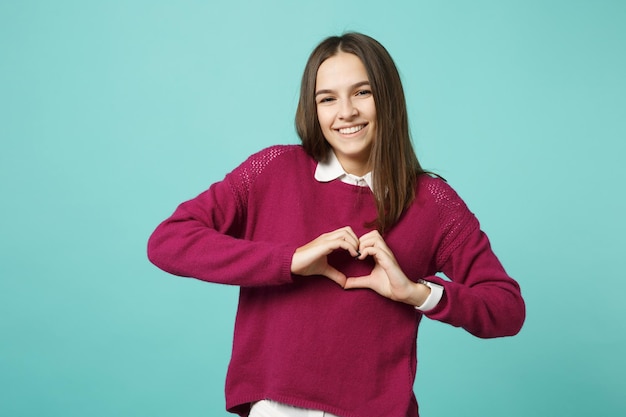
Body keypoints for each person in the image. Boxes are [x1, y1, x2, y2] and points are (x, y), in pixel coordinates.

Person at [147, 32, 525, 417]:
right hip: (277, 409)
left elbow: (507, 308)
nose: (345, 112)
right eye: (327, 98)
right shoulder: (273, 170)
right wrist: (290, 260)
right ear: (313, 109)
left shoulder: (432, 202)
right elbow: (169, 241)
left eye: (362, 93)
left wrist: (416, 292)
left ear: (388, 98)